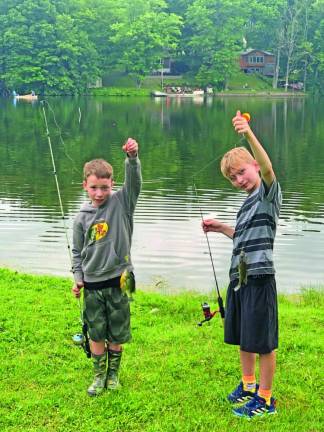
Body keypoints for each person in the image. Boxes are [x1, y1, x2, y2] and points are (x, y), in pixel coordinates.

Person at [202, 111, 282, 418]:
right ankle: (248, 385)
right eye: (232, 178)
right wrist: (220, 227)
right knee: (244, 337)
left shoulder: (267, 194)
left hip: (260, 277)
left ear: (253, 166)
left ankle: (265, 398)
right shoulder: (246, 204)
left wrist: (247, 132)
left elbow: (268, 167)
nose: (239, 180)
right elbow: (242, 237)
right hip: (240, 279)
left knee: (262, 342)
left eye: (242, 172)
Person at [71, 138, 142, 396]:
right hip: (91, 284)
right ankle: (98, 376)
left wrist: (132, 159)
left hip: (119, 280)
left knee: (117, 331)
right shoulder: (80, 218)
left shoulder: (122, 203)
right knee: (96, 331)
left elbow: (134, 183)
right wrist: (78, 278)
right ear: (85, 186)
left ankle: (113, 376)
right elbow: (77, 252)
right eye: (93, 188)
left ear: (113, 184)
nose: (99, 193)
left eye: (104, 187)